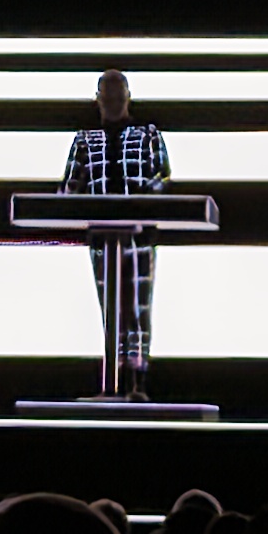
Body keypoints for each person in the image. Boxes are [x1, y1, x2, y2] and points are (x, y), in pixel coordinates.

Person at [55, 69, 169, 384]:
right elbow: (70, 186)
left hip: (139, 233)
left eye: (118, 96)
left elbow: (161, 176)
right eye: (108, 97)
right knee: (111, 306)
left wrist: (142, 205)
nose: (113, 102)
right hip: (101, 234)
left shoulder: (147, 134)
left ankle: (137, 381)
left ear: (128, 97)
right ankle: (115, 379)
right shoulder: (85, 139)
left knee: (139, 305)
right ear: (98, 100)